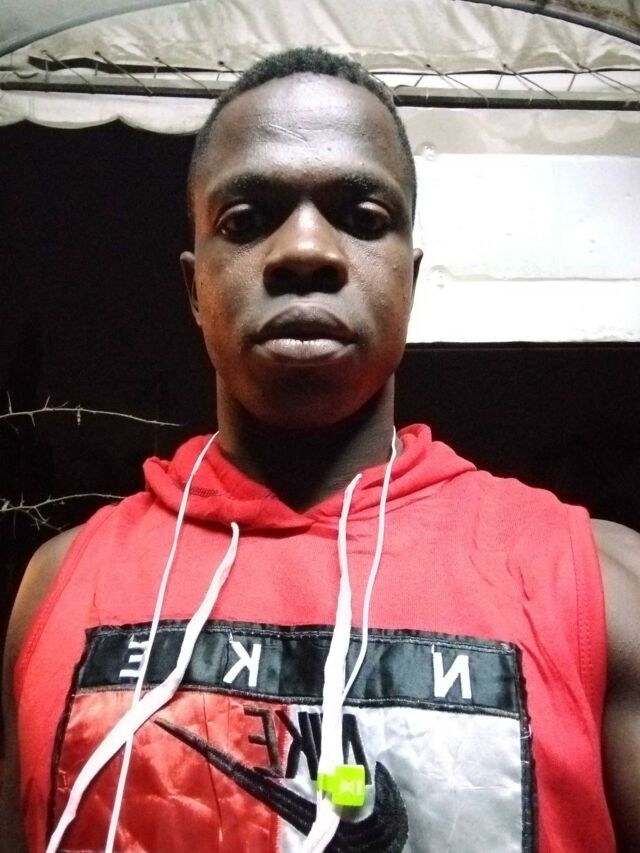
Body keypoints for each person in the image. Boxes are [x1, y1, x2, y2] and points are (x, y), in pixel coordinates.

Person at [2, 46, 640, 853]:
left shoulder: (602, 588)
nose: (305, 249)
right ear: (195, 288)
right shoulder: (59, 586)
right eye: (246, 220)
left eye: (363, 217)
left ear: (410, 280)